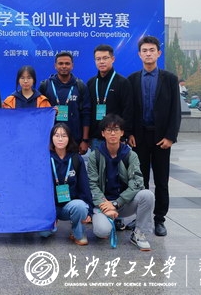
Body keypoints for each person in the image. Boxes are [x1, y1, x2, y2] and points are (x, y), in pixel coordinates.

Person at [128, 35, 181, 237]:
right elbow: (129, 110)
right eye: (145, 51)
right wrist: (129, 133)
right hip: (139, 138)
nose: (148, 54)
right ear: (139, 54)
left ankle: (159, 219)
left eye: (152, 50)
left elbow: (175, 110)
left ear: (159, 53)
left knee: (161, 180)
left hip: (161, 139)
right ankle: (140, 218)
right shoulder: (133, 79)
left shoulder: (170, 79)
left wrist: (170, 137)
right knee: (139, 181)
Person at [88, 114, 155, 251]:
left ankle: (139, 233)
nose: (112, 133)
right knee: (101, 231)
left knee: (147, 195)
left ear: (122, 132)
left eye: (116, 129)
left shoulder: (130, 155)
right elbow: (92, 184)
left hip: (123, 203)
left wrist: (117, 203)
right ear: (103, 133)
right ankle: (109, 220)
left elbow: (137, 183)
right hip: (104, 204)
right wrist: (105, 204)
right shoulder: (95, 156)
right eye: (108, 130)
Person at [39, 123, 92, 245]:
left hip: (70, 205)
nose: (60, 139)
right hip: (50, 207)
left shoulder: (76, 159)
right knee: (44, 233)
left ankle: (77, 232)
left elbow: (84, 187)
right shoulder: (45, 158)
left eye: (64, 136)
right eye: (56, 135)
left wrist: (89, 211)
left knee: (80, 206)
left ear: (69, 138)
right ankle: (52, 221)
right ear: (51, 138)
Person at [39, 52, 91, 154]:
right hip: (51, 141)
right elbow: (40, 115)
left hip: (75, 140)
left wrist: (85, 140)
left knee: (72, 165)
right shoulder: (45, 86)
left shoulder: (80, 86)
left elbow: (86, 114)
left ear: (72, 66)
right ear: (55, 66)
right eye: (60, 63)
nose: (64, 66)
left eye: (67, 63)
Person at [86, 44, 134, 150]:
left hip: (116, 138)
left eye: (105, 58)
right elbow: (87, 111)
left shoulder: (123, 82)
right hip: (96, 138)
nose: (101, 62)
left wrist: (125, 135)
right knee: (96, 161)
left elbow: (128, 110)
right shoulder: (91, 83)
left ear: (113, 59)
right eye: (98, 59)